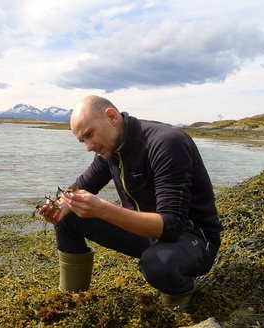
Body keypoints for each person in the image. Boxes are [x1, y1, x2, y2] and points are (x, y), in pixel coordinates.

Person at [38, 95, 222, 312]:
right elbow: (79, 188)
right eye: (82, 141)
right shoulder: (110, 150)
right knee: (68, 216)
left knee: (156, 265)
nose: (88, 146)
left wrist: (103, 209)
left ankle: (180, 297)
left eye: (89, 135)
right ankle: (70, 301)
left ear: (111, 116)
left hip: (193, 238)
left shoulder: (166, 143)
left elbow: (172, 226)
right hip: (148, 234)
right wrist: (59, 206)